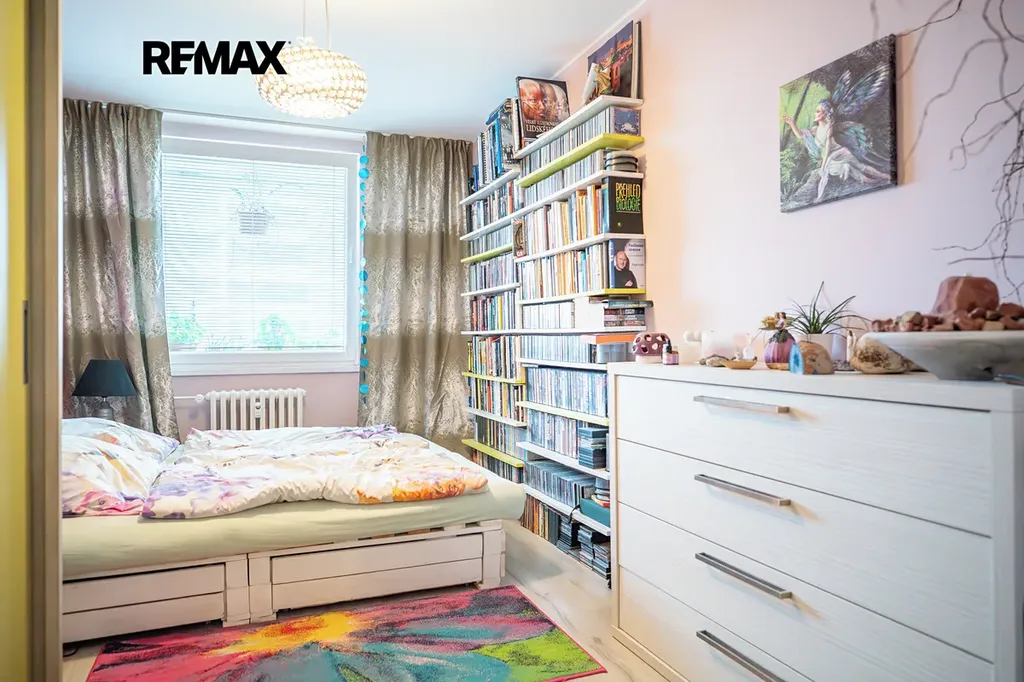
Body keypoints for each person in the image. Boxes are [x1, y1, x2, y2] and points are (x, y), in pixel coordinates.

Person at [783, 98, 891, 202]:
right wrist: (792, 123)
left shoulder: (829, 127)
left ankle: (885, 176)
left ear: (824, 114)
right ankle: (820, 197)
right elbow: (800, 135)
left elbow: (828, 148)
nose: (815, 114)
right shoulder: (815, 129)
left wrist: (824, 163)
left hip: (842, 153)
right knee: (855, 175)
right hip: (832, 158)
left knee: (862, 168)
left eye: (818, 111)